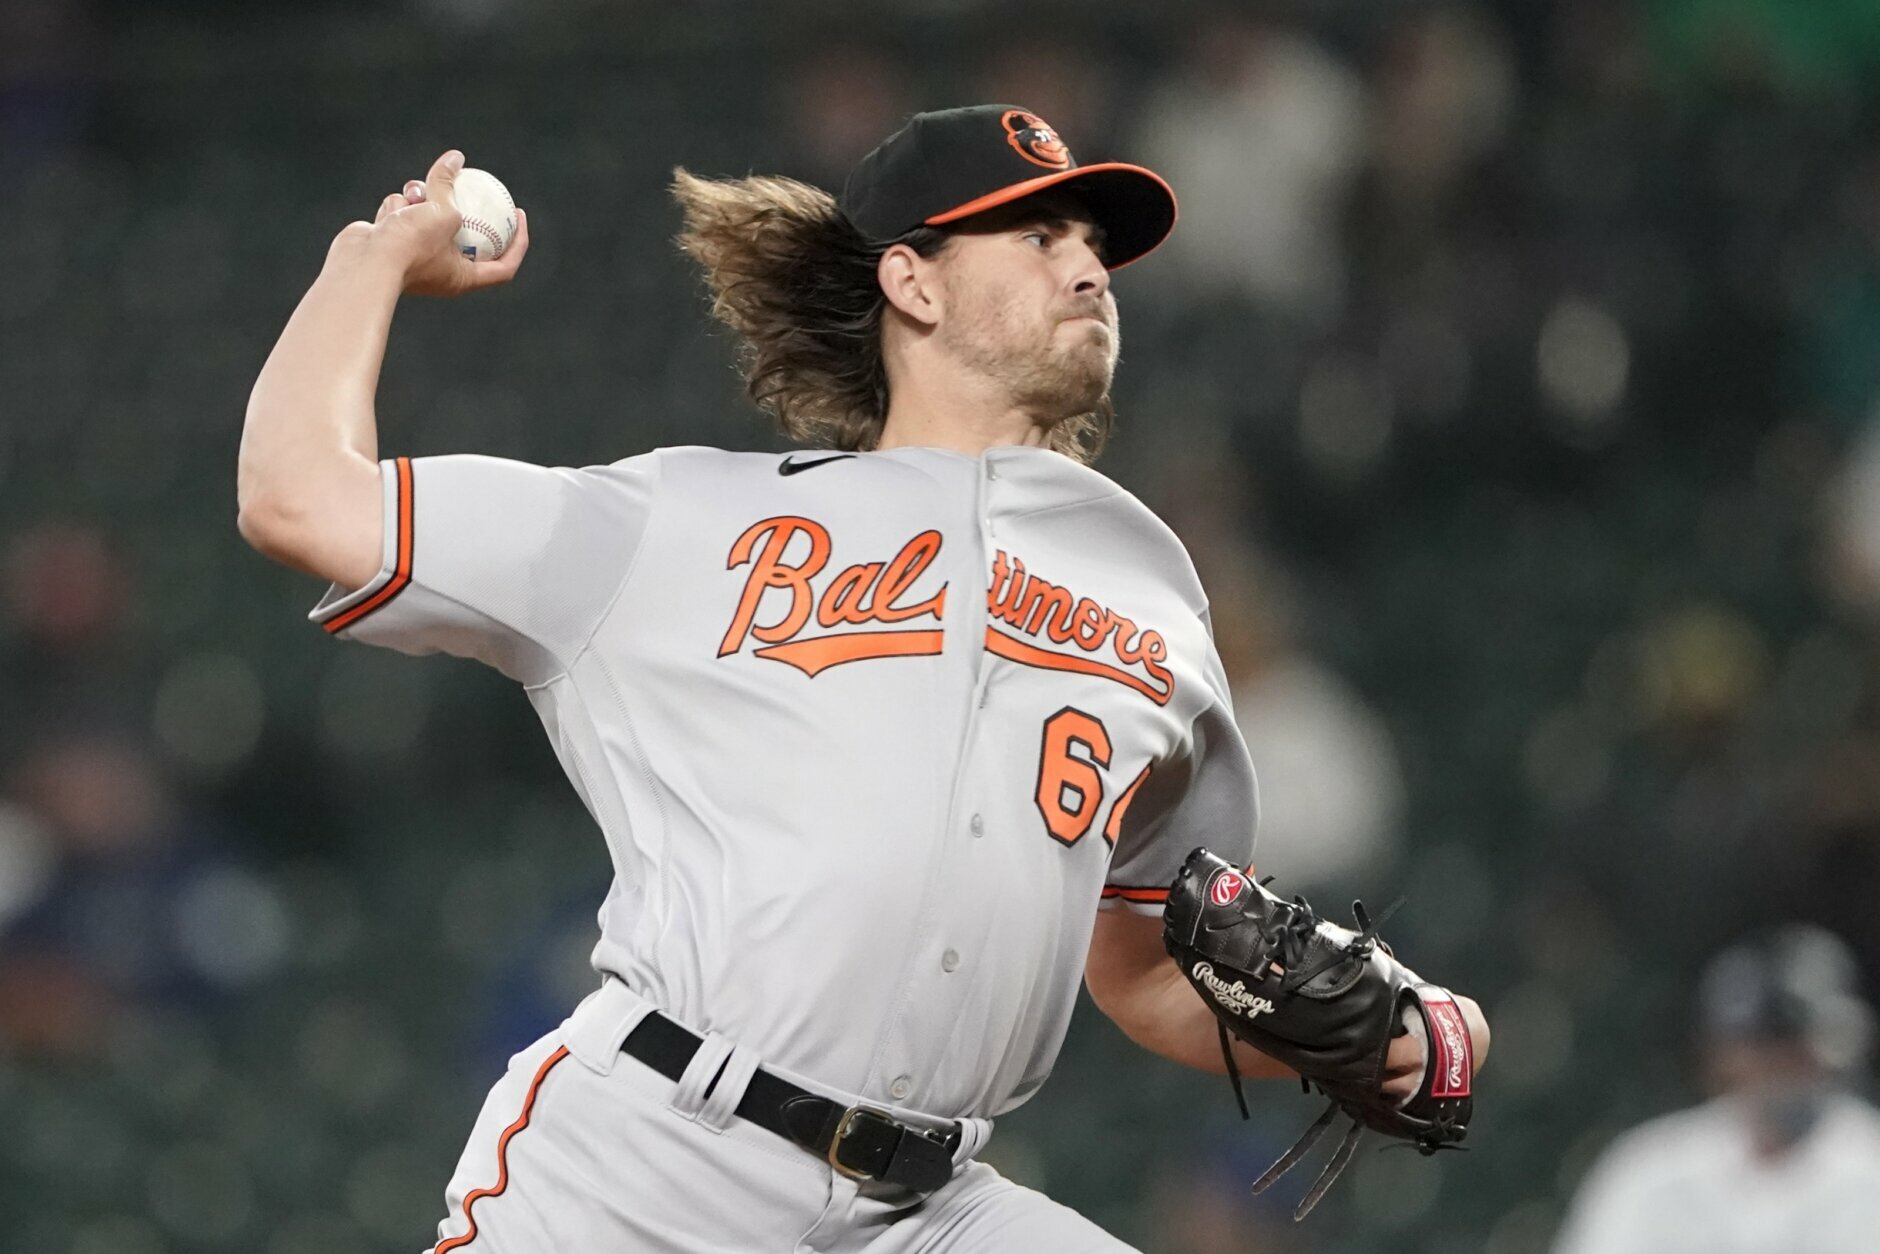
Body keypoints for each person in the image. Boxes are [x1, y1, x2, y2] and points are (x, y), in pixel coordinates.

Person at [237, 105, 1488, 1252]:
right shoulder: (679, 520)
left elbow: (1149, 969)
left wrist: (1372, 1043)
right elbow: (298, 497)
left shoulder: (1153, 590)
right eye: (1037, 235)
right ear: (911, 280)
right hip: (649, 1169)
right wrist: (370, 260)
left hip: (924, 1210)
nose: (1088, 268)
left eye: (1093, 244)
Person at [1552, 924, 1880, 1254]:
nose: (1785, 1062)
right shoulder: (1650, 1170)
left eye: (1797, 1043)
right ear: (1720, 1054)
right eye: (1764, 1043)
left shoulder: (1869, 1162)